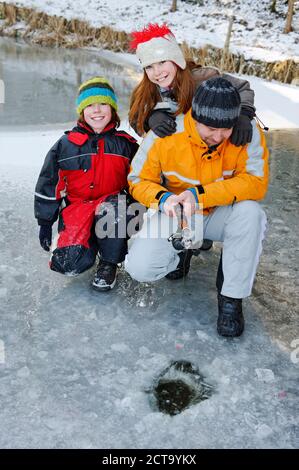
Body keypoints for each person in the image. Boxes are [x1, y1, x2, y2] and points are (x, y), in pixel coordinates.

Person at [125, 77, 269, 337]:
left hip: (219, 213)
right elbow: (137, 180)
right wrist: (163, 198)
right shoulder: (167, 133)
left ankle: (231, 299)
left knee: (251, 213)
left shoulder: (246, 134)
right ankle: (181, 250)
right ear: (195, 117)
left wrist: (201, 195)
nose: (218, 136)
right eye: (210, 128)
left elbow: (256, 183)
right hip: (177, 212)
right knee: (141, 268)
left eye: (225, 129)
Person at [128, 22, 256, 251]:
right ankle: (181, 242)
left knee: (209, 188)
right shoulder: (146, 90)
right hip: (175, 163)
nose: (156, 72)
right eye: (149, 67)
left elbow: (242, 88)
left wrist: (244, 115)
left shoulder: (204, 78)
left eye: (161, 62)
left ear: (176, 59)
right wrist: (149, 120)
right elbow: (135, 119)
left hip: (209, 154)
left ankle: (207, 226)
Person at [34, 76, 138, 291]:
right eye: (90, 105)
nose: (97, 111)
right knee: (67, 265)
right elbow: (49, 183)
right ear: (82, 110)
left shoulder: (126, 144)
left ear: (112, 109)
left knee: (115, 209)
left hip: (112, 209)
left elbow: (140, 182)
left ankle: (109, 263)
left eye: (103, 104)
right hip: (78, 208)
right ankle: (90, 242)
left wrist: (136, 211)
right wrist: (45, 222)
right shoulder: (65, 144)